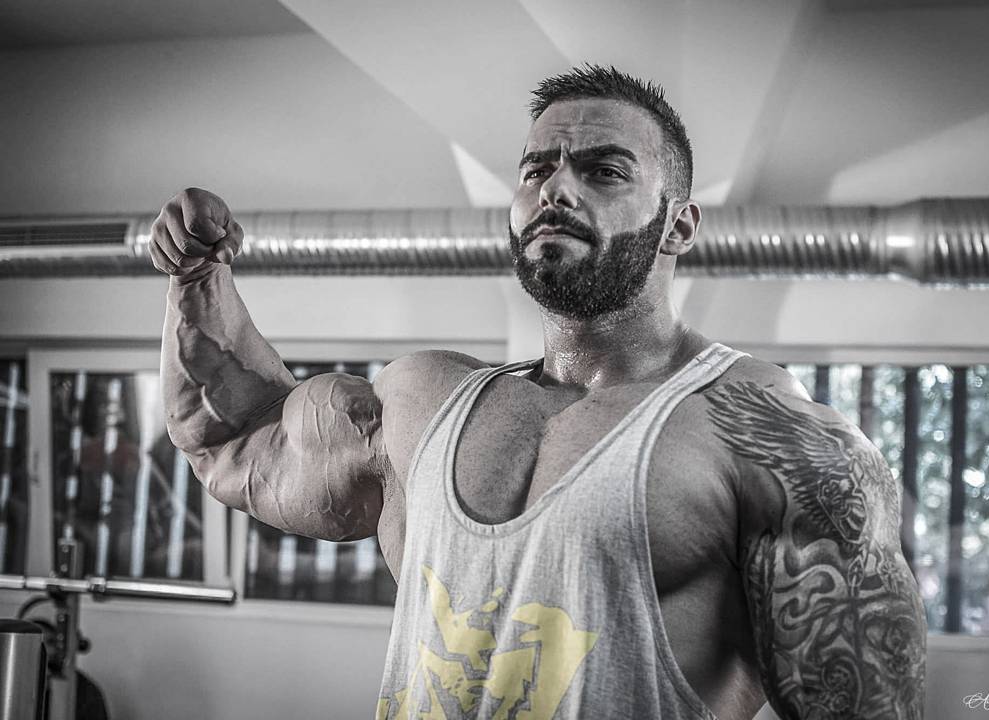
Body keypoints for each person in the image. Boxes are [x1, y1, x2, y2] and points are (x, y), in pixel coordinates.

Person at [151, 65, 926, 720]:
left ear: (679, 226)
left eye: (603, 170)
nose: (556, 188)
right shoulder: (421, 401)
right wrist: (196, 277)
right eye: (536, 169)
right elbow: (237, 441)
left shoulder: (774, 436)